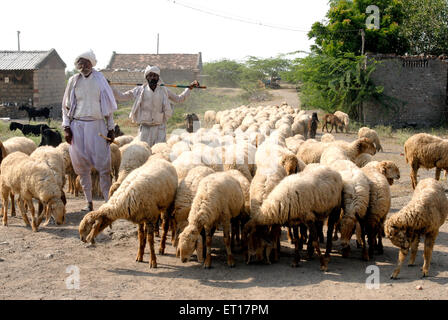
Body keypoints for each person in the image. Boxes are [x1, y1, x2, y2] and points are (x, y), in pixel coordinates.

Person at [61, 50, 117, 212]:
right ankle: (89, 202)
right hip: (77, 126)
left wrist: (111, 128)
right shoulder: (73, 81)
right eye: (80, 63)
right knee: (81, 165)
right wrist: (66, 127)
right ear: (77, 65)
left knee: (103, 165)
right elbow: (66, 106)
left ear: (92, 63)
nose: (83, 66)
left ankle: (107, 201)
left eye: (86, 62)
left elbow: (107, 106)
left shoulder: (100, 80)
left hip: (97, 125)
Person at [111, 65, 200, 147]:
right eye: (150, 75)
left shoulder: (164, 90)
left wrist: (189, 88)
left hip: (160, 129)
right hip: (145, 129)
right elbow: (121, 96)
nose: (153, 77)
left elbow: (179, 98)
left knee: (159, 154)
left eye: (155, 75)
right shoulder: (139, 90)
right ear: (146, 77)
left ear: (158, 77)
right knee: (143, 152)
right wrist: (110, 86)